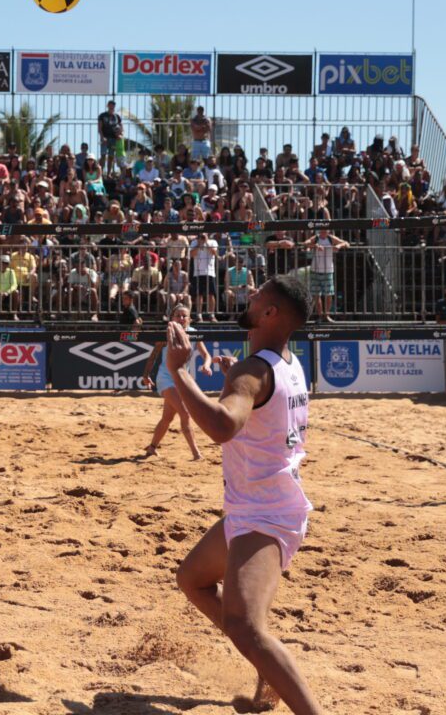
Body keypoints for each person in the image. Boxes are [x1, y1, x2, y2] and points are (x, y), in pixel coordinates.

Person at [171, 275, 319, 715]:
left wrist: (180, 371)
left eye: (257, 297)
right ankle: (265, 666)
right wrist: (233, 381)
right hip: (256, 506)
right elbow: (256, 409)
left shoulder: (253, 371)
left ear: (270, 313)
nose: (248, 298)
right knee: (192, 579)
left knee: (244, 626)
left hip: (265, 512)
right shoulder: (285, 363)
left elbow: (221, 427)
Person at [141, 303, 210, 461]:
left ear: (190, 319)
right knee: (185, 413)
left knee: (167, 418)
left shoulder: (194, 333)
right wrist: (146, 375)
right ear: (171, 318)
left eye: (184, 316)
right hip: (166, 377)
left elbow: (206, 355)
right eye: (178, 315)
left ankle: (152, 448)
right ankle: (196, 454)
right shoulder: (167, 333)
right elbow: (153, 355)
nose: (181, 318)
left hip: (182, 378)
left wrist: (206, 365)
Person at [298, 230, 348, 322]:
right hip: (315, 270)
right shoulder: (316, 238)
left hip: (328, 270)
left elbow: (346, 243)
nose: (323, 231)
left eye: (325, 230)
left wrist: (339, 246)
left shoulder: (331, 238)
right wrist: (315, 246)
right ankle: (320, 315)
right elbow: (305, 243)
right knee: (316, 295)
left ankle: (326, 315)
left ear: (328, 231)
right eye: (322, 230)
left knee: (329, 294)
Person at [97, 99, 124, 171]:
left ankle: (109, 173)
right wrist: (102, 137)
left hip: (114, 139)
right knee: (103, 155)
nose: (112, 106)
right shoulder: (102, 115)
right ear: (108, 105)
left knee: (111, 156)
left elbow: (121, 128)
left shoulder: (117, 116)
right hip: (105, 138)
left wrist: (120, 135)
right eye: (110, 105)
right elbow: (99, 128)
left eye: (113, 105)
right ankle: (101, 172)